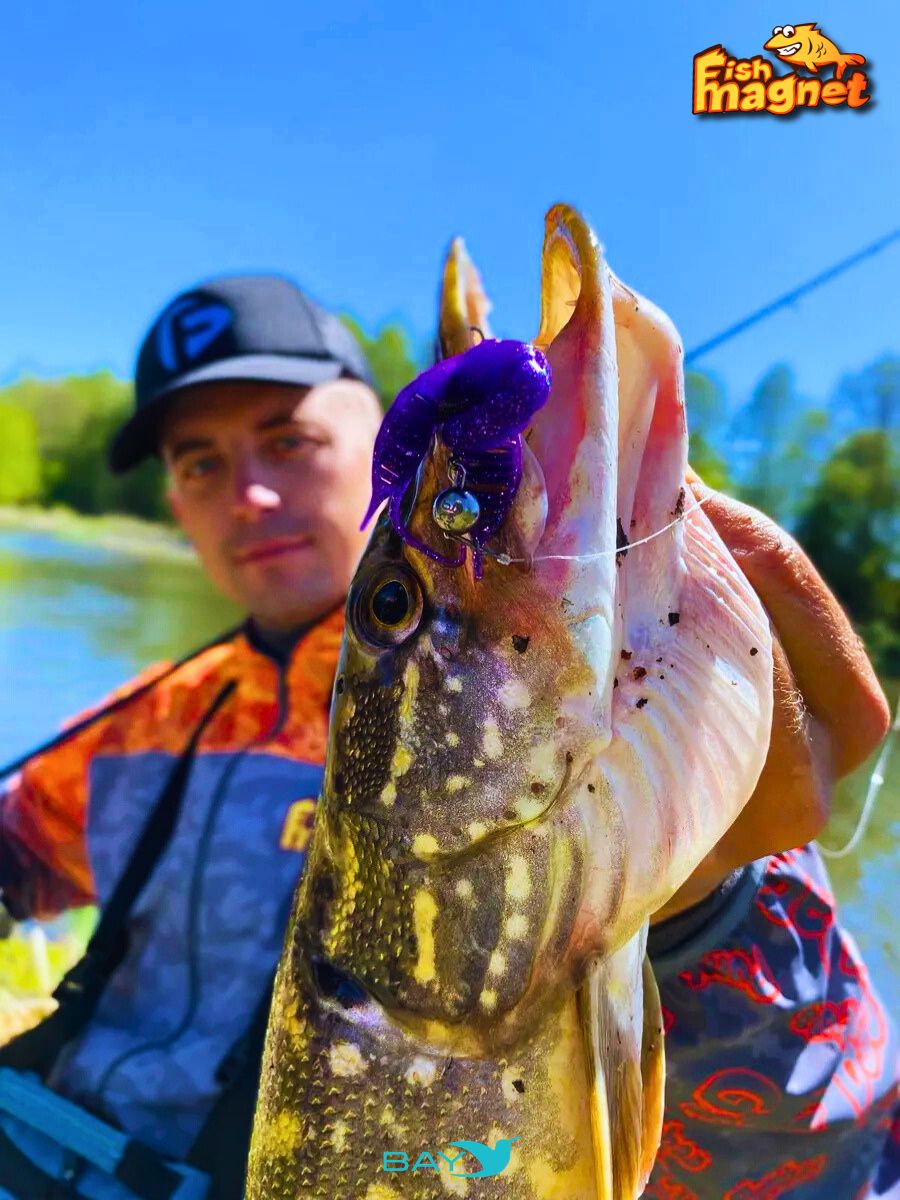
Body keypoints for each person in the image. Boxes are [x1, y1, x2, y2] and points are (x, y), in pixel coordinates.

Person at [0, 272, 894, 1199]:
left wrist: (704, 915)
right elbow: (19, 853)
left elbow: (822, 1151)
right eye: (200, 464)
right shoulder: (142, 719)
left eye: (289, 440)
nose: (250, 494)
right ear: (175, 500)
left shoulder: (585, 710)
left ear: (377, 435)